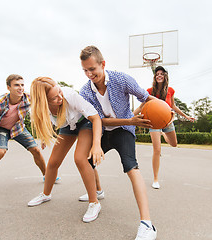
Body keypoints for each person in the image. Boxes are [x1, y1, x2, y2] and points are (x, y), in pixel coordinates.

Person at [79, 45, 157, 240]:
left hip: (124, 131)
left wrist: (164, 109)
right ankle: (96, 195)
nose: (89, 74)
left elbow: (146, 97)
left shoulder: (122, 80)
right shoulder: (85, 91)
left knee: (131, 167)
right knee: (87, 162)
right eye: (85, 70)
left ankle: (147, 224)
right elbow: (99, 120)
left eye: (92, 69)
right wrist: (130, 119)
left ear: (103, 64)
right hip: (105, 131)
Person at [27, 77, 105, 223]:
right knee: (53, 162)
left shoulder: (69, 95)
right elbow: (46, 121)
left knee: (80, 159)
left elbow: (95, 118)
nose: (60, 97)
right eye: (54, 97)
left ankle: (94, 203)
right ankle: (46, 194)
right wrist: (44, 137)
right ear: (44, 102)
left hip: (85, 122)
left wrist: (96, 145)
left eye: (59, 92)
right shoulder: (38, 108)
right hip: (67, 125)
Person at [0, 74, 47, 199]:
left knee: (36, 150)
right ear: (8, 87)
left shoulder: (28, 99)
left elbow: (39, 116)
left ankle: (47, 176)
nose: (20, 88)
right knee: (0, 152)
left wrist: (43, 136)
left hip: (18, 128)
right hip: (2, 129)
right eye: (16, 85)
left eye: (22, 85)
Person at [134, 66, 195, 189]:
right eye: (157, 74)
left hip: (167, 120)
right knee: (157, 150)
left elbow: (173, 106)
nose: (159, 76)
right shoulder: (149, 91)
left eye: (161, 74)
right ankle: (155, 179)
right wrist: (129, 118)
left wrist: (186, 116)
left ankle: (163, 134)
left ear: (165, 76)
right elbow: (141, 107)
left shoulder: (170, 90)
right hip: (154, 122)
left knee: (174, 144)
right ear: (155, 77)